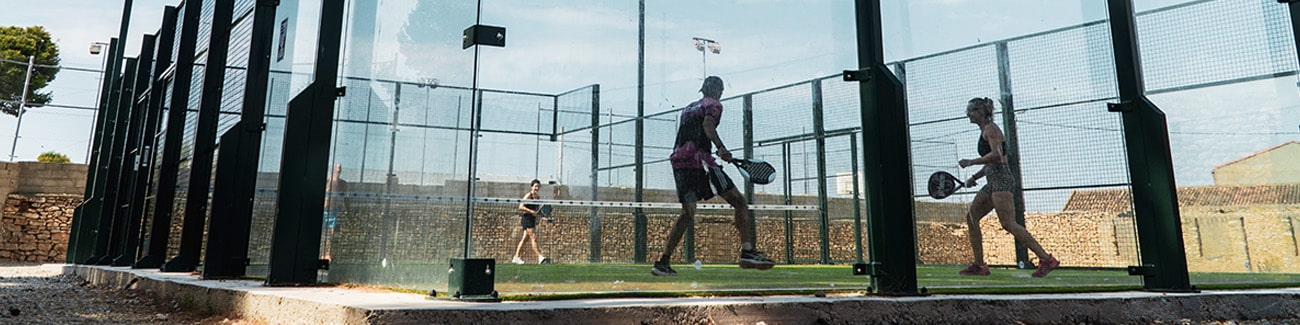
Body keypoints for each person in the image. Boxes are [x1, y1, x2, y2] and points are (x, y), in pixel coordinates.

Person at [651, 76, 775, 276]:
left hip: (679, 162)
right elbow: (707, 126)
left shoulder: (688, 108)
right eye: (721, 90)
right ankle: (747, 252)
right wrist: (721, 148)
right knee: (739, 203)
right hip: (700, 162)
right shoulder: (714, 105)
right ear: (718, 90)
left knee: (687, 212)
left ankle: (663, 262)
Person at [957, 97, 1059, 278]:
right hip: (993, 180)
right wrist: (974, 177)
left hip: (1002, 180)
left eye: (972, 110)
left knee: (1008, 223)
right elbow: (993, 162)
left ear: (982, 112)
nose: (968, 114)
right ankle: (979, 265)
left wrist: (971, 162)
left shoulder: (991, 129)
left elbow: (997, 156)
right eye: (968, 110)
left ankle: (1047, 259)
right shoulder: (985, 130)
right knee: (972, 218)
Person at [511, 179, 547, 264]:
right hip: (526, 219)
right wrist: (531, 211)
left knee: (525, 239)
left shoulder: (537, 198)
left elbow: (537, 211)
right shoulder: (528, 196)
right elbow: (520, 207)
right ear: (531, 187)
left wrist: (541, 217)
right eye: (535, 186)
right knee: (533, 237)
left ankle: (516, 257)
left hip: (532, 219)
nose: (537, 188)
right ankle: (540, 257)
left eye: (538, 187)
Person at [323, 163, 347, 260]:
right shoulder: (327, 180)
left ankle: (327, 254)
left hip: (333, 212)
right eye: (337, 167)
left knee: (331, 234)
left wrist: (348, 210)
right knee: (323, 233)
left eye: (340, 167)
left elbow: (346, 198)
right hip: (324, 211)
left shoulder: (342, 183)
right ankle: (321, 253)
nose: (339, 169)